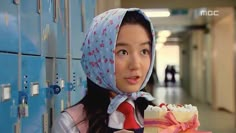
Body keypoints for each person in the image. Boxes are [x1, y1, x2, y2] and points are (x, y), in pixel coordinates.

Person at [52, 8, 156, 133]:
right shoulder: (69, 124)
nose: (136, 65)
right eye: (123, 52)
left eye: (144, 51)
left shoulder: (160, 117)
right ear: (98, 58)